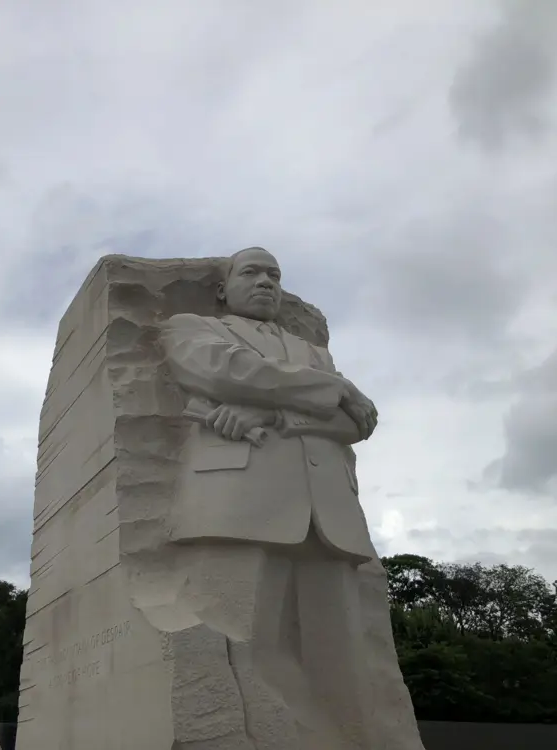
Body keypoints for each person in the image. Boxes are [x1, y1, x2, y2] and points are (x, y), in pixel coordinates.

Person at [159, 247, 423, 750]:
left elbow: (356, 422)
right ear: (223, 289)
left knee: (345, 661)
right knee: (240, 645)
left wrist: (275, 416)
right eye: (252, 272)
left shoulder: (314, 352)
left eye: (274, 275)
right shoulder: (192, 327)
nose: (266, 282)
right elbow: (223, 371)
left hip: (329, 514)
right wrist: (332, 388)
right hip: (239, 503)